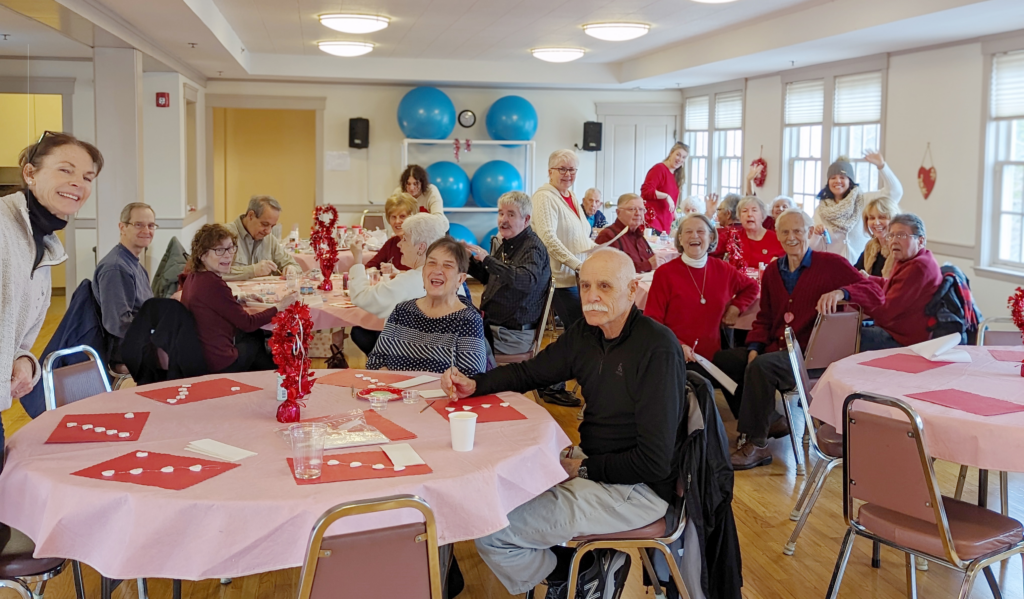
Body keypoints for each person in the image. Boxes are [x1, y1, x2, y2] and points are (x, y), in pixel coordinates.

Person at [442, 248, 684, 599]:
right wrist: (476, 384)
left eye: (604, 286)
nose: (591, 296)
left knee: (493, 531)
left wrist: (583, 469)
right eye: (585, 286)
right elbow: (530, 371)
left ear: (633, 290)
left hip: (637, 489)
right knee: (490, 501)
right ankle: (585, 567)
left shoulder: (656, 348)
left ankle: (581, 573)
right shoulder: (588, 334)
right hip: (596, 466)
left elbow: (654, 461)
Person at [714, 209, 882, 469]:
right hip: (778, 349)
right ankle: (769, 418)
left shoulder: (830, 264)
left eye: (797, 231)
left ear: (808, 232)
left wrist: (841, 292)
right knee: (723, 360)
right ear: (777, 236)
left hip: (810, 354)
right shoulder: (772, 271)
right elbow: (766, 317)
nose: (791, 237)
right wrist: (755, 346)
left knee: (762, 367)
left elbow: (873, 291)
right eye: (785, 232)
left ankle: (757, 444)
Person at [2, 132, 103, 457]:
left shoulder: (42, 243)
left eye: (87, 177)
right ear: (29, 173)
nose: (78, 183)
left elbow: (14, 329)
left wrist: (22, 359)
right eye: (65, 170)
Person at [644, 213, 758, 414]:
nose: (693, 236)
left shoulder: (722, 268)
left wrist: (735, 308)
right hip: (680, 357)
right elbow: (652, 321)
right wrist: (679, 346)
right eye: (687, 231)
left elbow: (751, 287)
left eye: (700, 231)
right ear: (679, 239)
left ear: (711, 238)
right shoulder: (666, 273)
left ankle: (754, 429)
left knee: (750, 364)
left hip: (714, 356)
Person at [181, 224, 296, 373]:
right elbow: (248, 323)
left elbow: (215, 304)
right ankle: (280, 375)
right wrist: (279, 307)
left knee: (252, 340)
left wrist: (239, 298)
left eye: (230, 248)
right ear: (202, 255)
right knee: (254, 336)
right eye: (219, 250)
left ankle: (272, 375)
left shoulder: (194, 277)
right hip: (219, 362)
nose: (228, 255)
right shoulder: (213, 284)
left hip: (200, 354)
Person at [531, 150, 595, 406]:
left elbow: (578, 236)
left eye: (572, 170)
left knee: (578, 332)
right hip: (560, 279)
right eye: (562, 169)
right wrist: (577, 264)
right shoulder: (545, 198)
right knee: (580, 331)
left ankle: (552, 381)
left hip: (578, 276)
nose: (568, 174)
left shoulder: (570, 196)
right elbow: (548, 238)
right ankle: (550, 382)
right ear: (550, 171)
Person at [823, 214, 942, 351]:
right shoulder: (914, 258)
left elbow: (885, 313)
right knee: (838, 331)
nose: (894, 241)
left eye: (901, 236)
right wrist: (868, 279)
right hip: (896, 329)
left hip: (903, 339)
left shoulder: (919, 267)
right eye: (891, 236)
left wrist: (852, 295)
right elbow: (893, 284)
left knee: (836, 336)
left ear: (920, 241)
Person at [368, 238, 486, 375]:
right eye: (431, 263)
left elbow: (471, 377)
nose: (437, 270)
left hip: (443, 396)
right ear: (423, 272)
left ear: (460, 279)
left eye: (447, 265)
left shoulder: (468, 320)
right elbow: (375, 361)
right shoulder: (402, 311)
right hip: (396, 394)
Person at [348, 213, 449, 355]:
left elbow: (361, 296)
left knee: (361, 334)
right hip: (443, 358)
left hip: (410, 359)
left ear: (421, 248)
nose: (399, 244)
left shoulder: (408, 282)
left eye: (405, 240)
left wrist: (357, 260)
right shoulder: (450, 278)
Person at [463, 191, 551, 356]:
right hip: (494, 328)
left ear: (526, 219)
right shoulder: (508, 242)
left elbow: (527, 281)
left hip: (511, 336)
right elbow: (487, 276)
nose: (503, 220)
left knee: (458, 347)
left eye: (511, 214)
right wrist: (467, 259)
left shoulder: (532, 247)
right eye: (501, 213)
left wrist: (488, 259)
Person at [93, 202, 156, 363]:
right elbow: (118, 324)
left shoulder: (135, 265)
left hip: (141, 342)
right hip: (126, 351)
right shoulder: (116, 268)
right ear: (122, 227)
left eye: (151, 225)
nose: (146, 231)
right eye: (138, 225)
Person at [813, 152, 903, 262]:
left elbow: (895, 192)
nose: (837, 181)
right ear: (828, 182)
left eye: (842, 177)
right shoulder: (821, 210)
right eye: (833, 178)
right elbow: (814, 246)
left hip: (861, 267)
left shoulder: (864, 200)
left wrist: (882, 166)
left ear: (850, 181)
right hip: (832, 269)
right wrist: (816, 234)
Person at [223, 195, 301, 281]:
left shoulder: (269, 240)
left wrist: (291, 269)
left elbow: (295, 266)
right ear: (250, 216)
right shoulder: (224, 235)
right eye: (265, 224)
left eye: (272, 226)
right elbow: (212, 272)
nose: (268, 231)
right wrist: (252, 271)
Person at [595, 193, 656, 274]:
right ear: (618, 212)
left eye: (641, 209)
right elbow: (612, 270)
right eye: (632, 209)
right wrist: (648, 265)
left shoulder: (638, 235)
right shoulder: (608, 236)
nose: (638, 213)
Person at [640, 142, 688, 234]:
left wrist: (678, 222)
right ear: (671, 153)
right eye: (678, 155)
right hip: (652, 223)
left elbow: (671, 206)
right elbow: (646, 191)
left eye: (683, 157)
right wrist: (666, 196)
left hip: (666, 226)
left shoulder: (676, 176)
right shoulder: (659, 169)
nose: (680, 159)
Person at [365, 192, 417, 272]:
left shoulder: (420, 244)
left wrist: (397, 272)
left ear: (412, 218)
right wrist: (374, 270)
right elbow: (370, 265)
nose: (397, 221)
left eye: (402, 216)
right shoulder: (391, 244)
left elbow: (422, 275)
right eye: (393, 217)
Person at [853, 196, 900, 278]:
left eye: (882, 217)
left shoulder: (902, 249)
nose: (876, 223)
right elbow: (855, 273)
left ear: (894, 220)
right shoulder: (871, 246)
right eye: (872, 218)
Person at [736, 196, 785, 270]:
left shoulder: (776, 239)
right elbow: (713, 246)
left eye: (754, 210)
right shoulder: (733, 236)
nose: (749, 214)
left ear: (763, 216)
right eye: (745, 211)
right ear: (739, 217)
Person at [708, 193, 743, 259]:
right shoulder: (750, 232)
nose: (717, 214)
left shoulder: (718, 234)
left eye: (719, 210)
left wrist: (708, 214)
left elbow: (702, 252)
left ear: (728, 213)